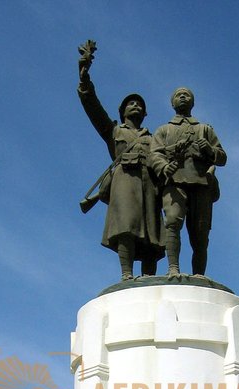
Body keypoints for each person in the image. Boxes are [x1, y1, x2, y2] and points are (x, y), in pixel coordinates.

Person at [77, 41, 164, 280]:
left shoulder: (155, 137)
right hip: (125, 181)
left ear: (145, 114)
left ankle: (149, 277)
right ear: (122, 111)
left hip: (149, 184)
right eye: (131, 103)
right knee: (126, 226)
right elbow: (92, 107)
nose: (135, 105)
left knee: (151, 230)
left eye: (140, 105)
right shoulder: (114, 132)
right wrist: (84, 78)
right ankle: (127, 274)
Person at [150, 87, 226, 277]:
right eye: (178, 95)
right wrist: (163, 167)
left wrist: (209, 150)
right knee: (173, 222)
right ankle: (173, 268)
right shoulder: (164, 130)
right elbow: (154, 155)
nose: (183, 97)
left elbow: (222, 158)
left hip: (201, 184)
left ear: (193, 102)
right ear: (172, 103)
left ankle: (199, 274)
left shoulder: (204, 129)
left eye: (187, 95)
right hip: (174, 181)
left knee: (200, 233)